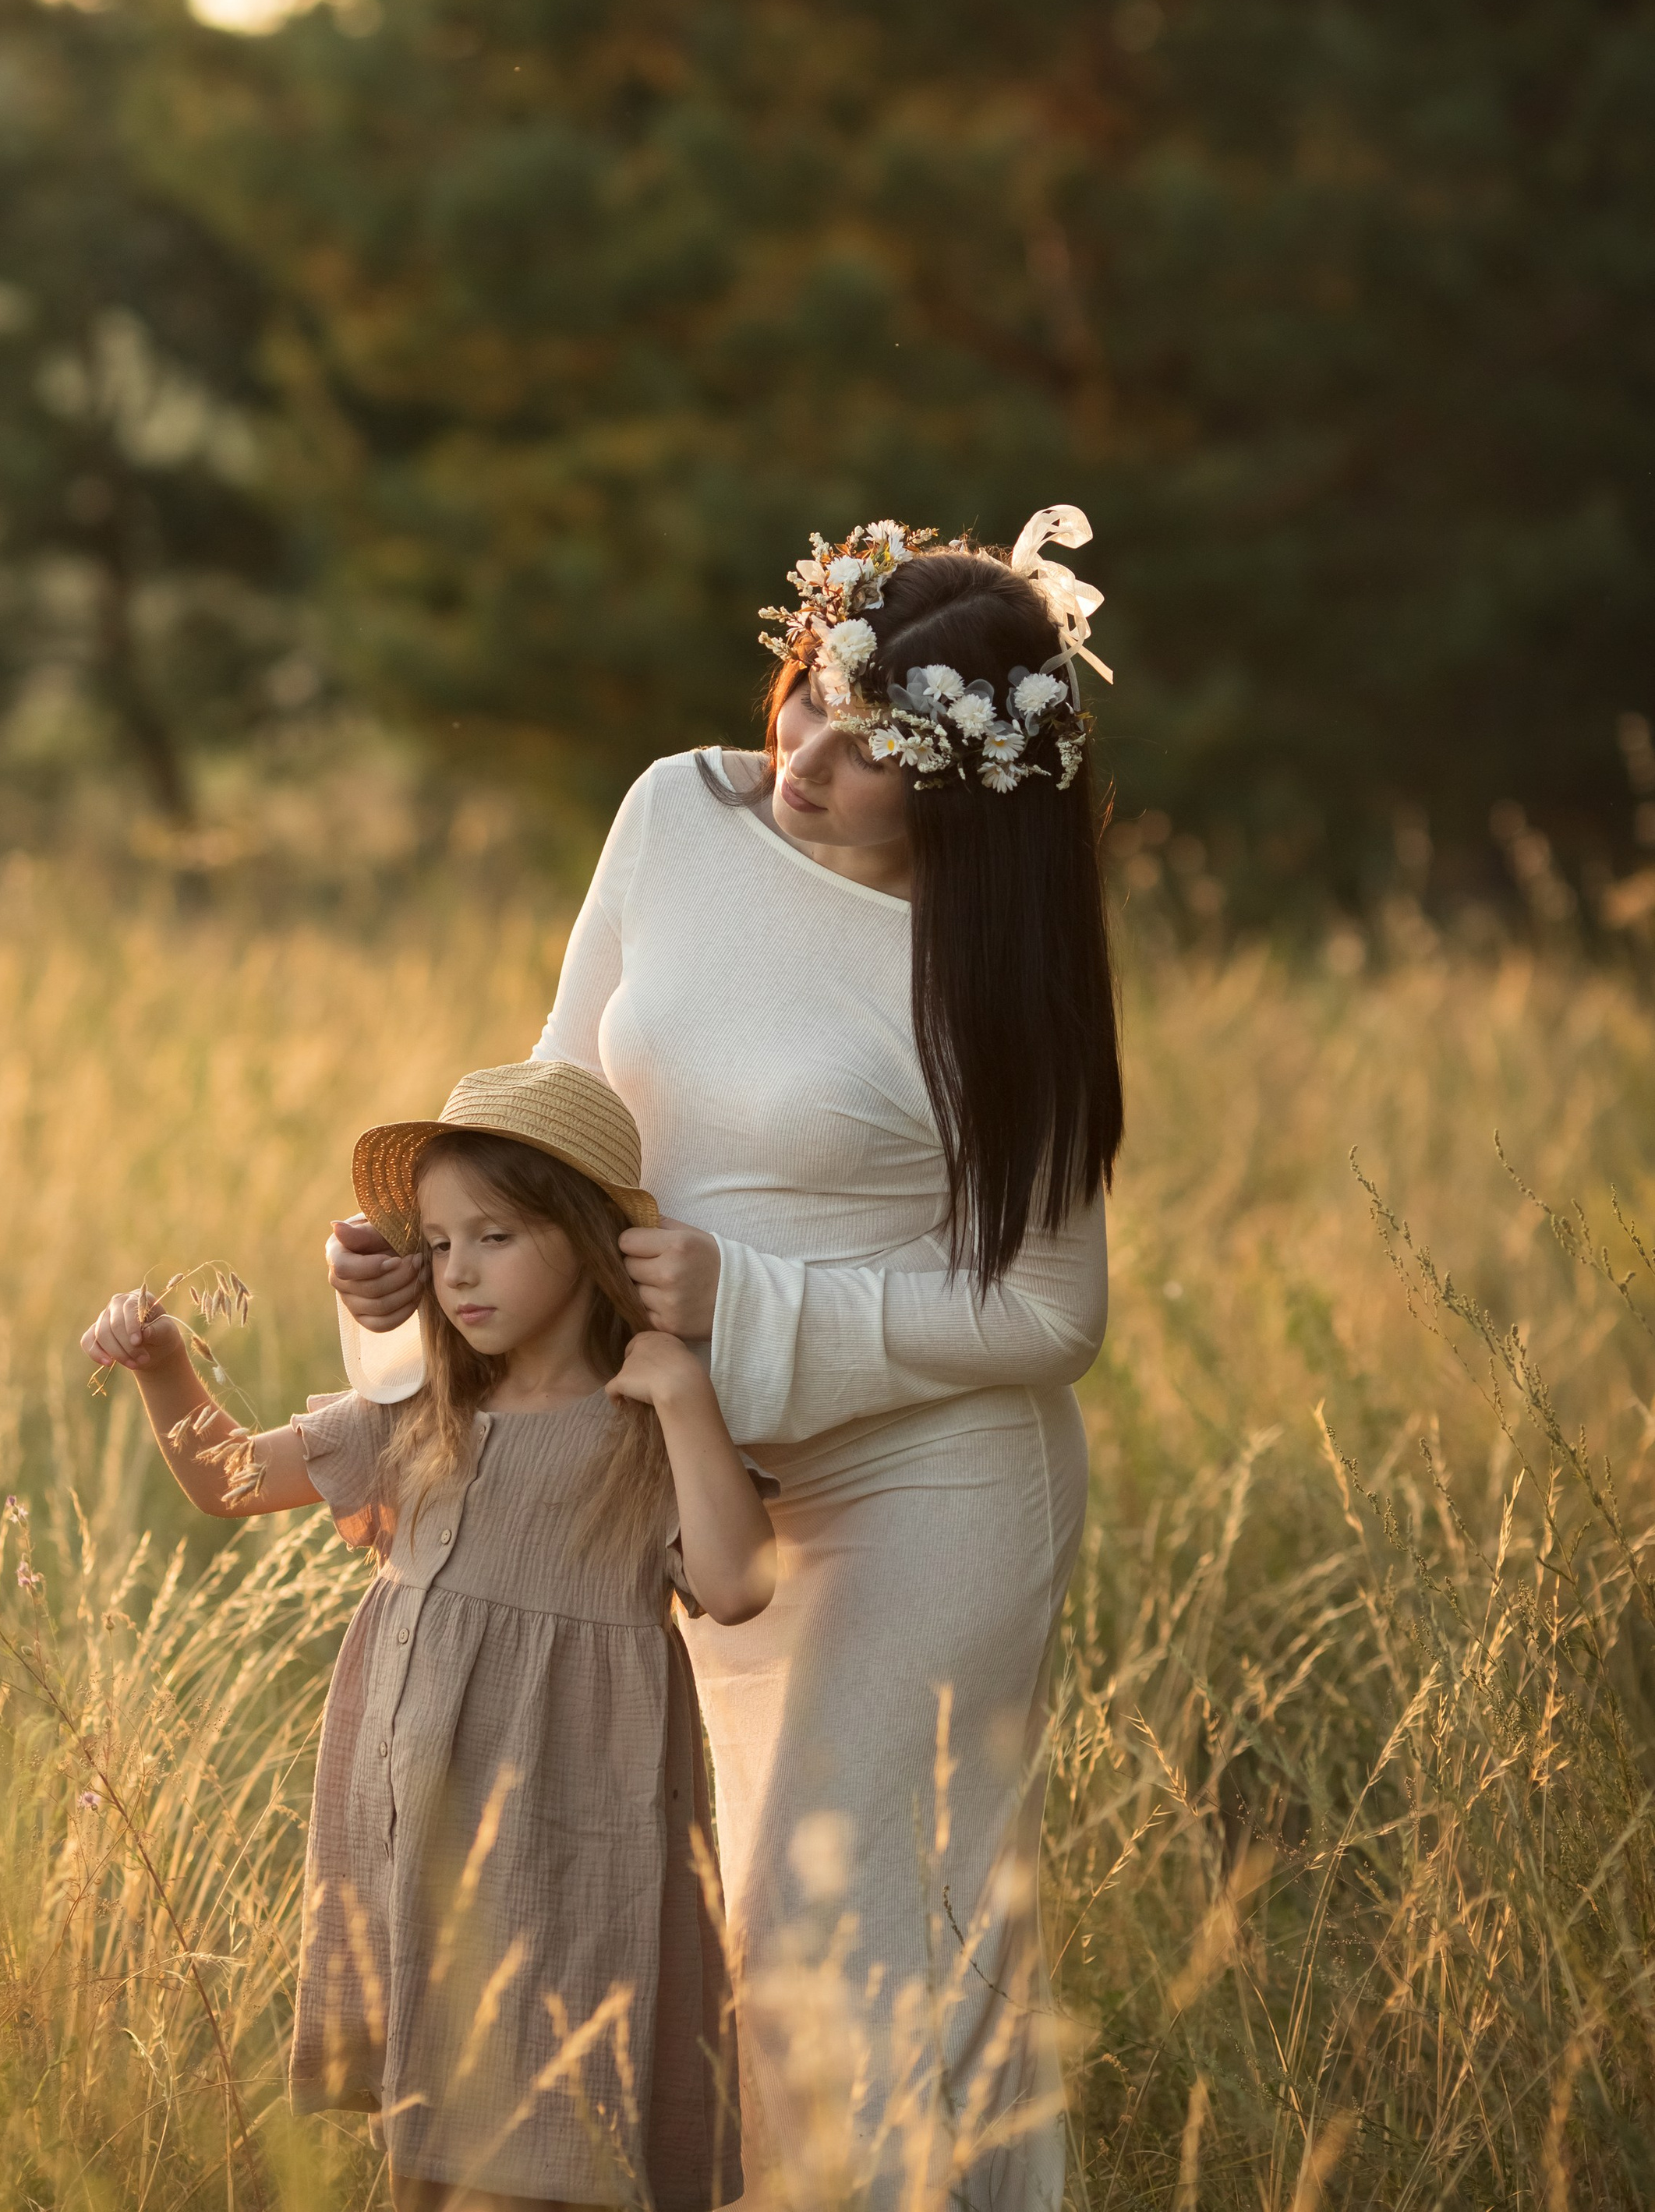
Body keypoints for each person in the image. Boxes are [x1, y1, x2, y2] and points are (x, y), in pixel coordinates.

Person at [334, 508, 1121, 2212]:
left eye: (870, 749)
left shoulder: (1003, 970)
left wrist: (744, 1303)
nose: (805, 760)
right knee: (693, 1926)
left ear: (967, 791)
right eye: (809, 695)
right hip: (679, 1469)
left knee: (847, 1940)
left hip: (922, 1484)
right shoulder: (674, 815)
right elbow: (559, 1096)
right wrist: (428, 1267)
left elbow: (1052, 1313)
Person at [81, 1058, 776, 2212]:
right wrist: (163, 1367)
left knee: (556, 2120)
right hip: (421, 1832)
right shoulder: (423, 1411)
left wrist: (686, 1396)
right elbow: (229, 1478)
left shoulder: (641, 1425)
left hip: (573, 1838)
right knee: (432, 2133)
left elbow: (740, 1584)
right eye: (441, 1243)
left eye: (495, 1237)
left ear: (587, 1241)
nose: (458, 1271)